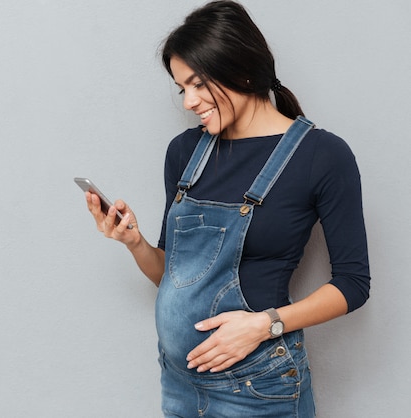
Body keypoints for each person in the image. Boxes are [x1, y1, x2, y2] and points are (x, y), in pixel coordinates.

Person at [82, 1, 370, 416]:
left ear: (242, 69)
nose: (189, 102)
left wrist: (264, 326)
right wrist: (134, 242)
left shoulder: (321, 155)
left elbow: (353, 284)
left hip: (259, 389)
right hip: (179, 384)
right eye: (183, 89)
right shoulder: (184, 152)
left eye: (199, 84)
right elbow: (174, 275)